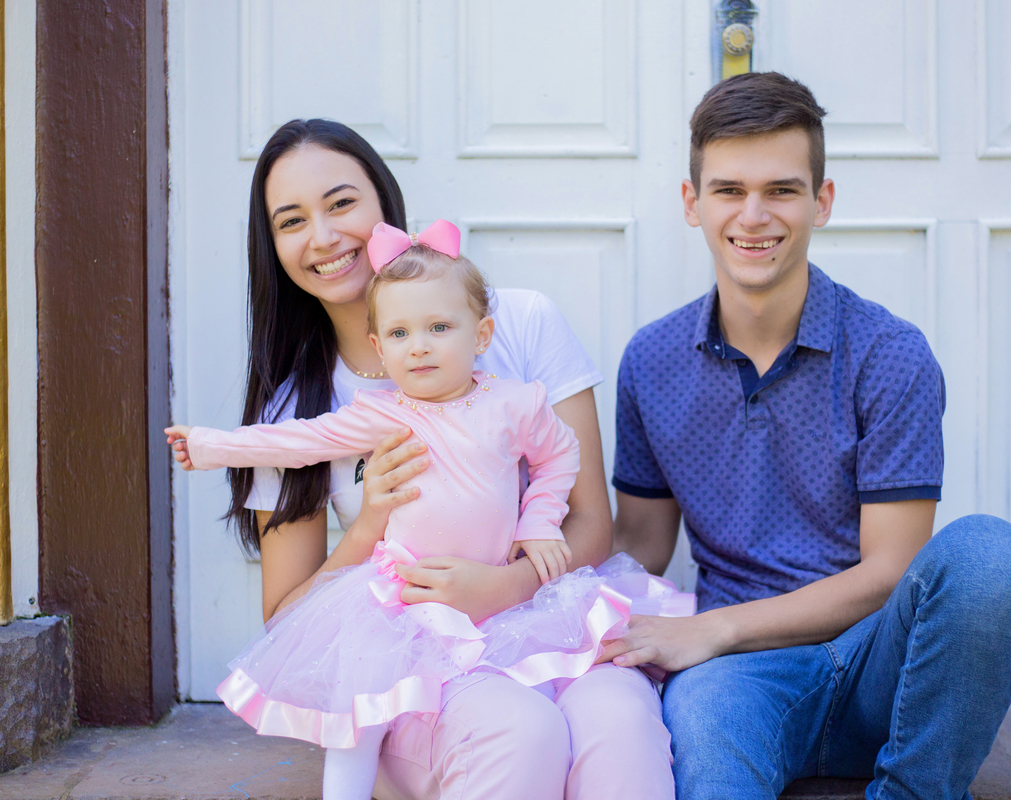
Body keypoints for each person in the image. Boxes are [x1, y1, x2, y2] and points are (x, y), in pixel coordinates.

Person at [600, 72, 1011, 799]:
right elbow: (640, 547)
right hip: (738, 682)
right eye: (728, 190)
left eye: (781, 189)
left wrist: (715, 630)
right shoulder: (651, 361)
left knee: (991, 556)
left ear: (822, 200)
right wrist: (512, 556)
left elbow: (890, 571)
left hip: (880, 665)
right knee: (709, 762)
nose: (754, 215)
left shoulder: (889, 354)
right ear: (691, 203)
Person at [212, 118, 675, 800]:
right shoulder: (295, 410)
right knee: (521, 731)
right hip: (421, 660)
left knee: (621, 718)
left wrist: (507, 586)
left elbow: (590, 524)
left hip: (545, 614)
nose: (322, 236)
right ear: (272, 246)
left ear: (385, 209)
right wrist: (370, 525)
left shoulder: (517, 323)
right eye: (291, 221)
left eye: (341, 203)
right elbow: (286, 617)